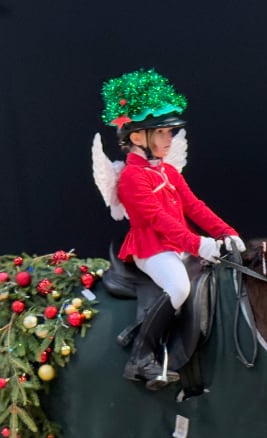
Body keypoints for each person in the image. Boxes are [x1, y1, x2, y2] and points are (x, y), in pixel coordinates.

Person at [99, 68, 245, 388]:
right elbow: (158, 222)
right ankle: (141, 357)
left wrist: (226, 232)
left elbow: (194, 206)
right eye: (162, 132)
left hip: (177, 245)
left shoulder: (167, 172)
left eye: (169, 132)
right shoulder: (131, 178)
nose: (169, 138)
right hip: (151, 248)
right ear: (137, 137)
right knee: (179, 287)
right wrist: (198, 244)